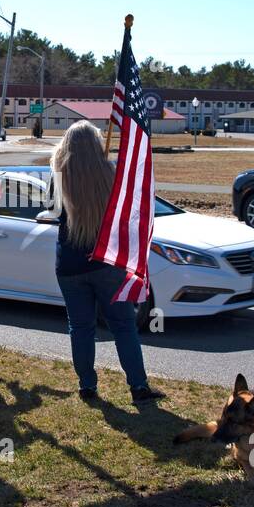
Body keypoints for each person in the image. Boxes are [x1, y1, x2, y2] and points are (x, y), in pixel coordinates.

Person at [48, 122, 164, 403]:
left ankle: (87, 386)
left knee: (80, 327)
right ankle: (138, 386)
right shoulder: (112, 174)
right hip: (107, 262)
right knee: (123, 325)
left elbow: (52, 211)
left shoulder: (58, 174)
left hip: (70, 265)